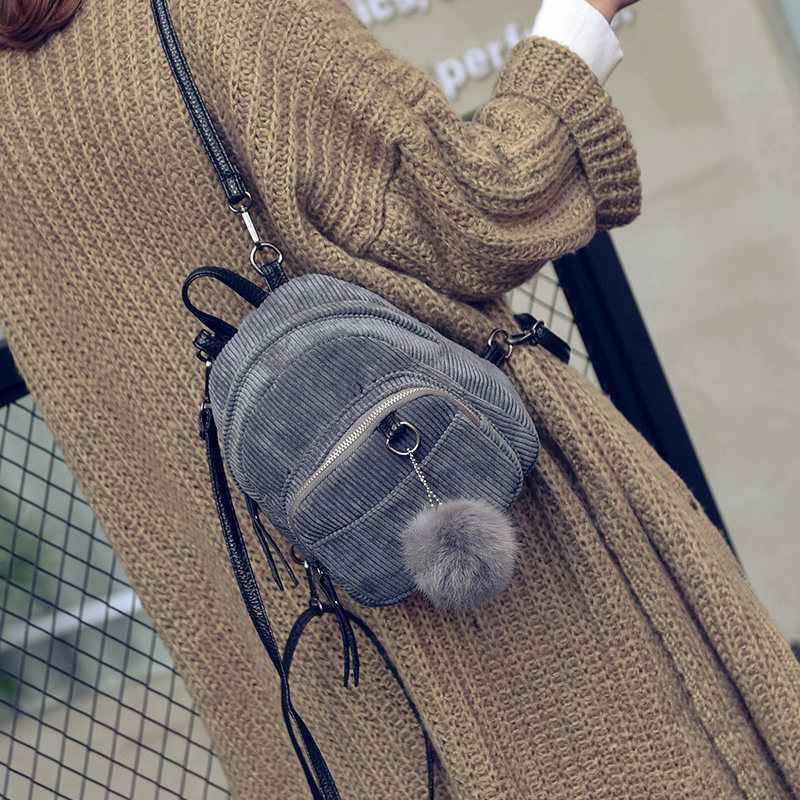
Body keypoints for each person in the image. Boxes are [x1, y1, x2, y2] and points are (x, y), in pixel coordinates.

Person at [1, 0, 798, 798]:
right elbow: (477, 208)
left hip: (301, 672)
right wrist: (584, 17)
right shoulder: (221, 13)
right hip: (495, 591)